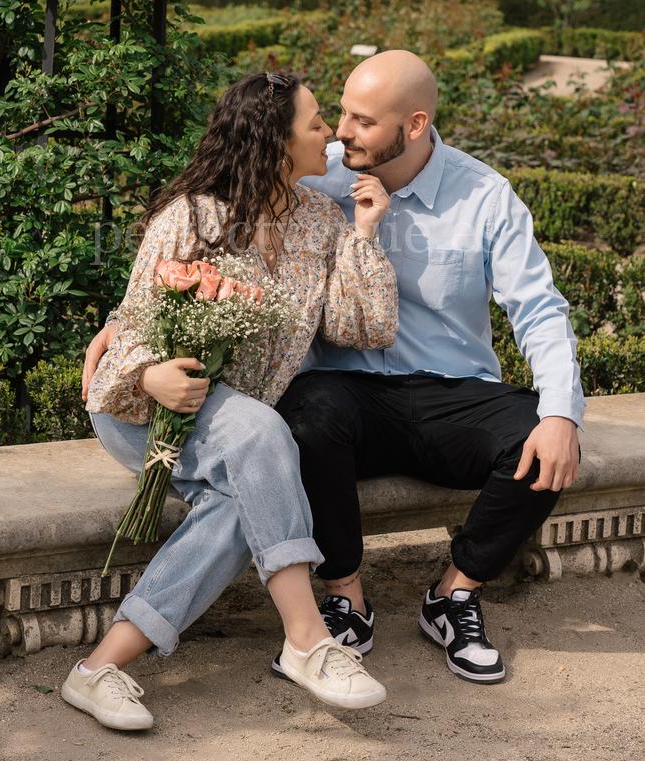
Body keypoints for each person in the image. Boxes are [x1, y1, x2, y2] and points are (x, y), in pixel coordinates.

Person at [86, 50, 583, 690]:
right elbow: (169, 266)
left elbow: (536, 309)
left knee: (543, 434)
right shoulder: (311, 186)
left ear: (413, 126)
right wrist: (132, 339)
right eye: (331, 117)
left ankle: (454, 596)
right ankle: (339, 605)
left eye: (357, 120)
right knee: (296, 420)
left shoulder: (478, 198)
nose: (340, 132)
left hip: (446, 395)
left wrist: (562, 411)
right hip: (333, 403)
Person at [63, 71, 399, 731]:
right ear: (276, 143)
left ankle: (99, 666)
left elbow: (368, 326)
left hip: (235, 426)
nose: (328, 132)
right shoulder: (190, 216)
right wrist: (152, 374)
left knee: (239, 495)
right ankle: (307, 637)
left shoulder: (319, 221)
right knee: (264, 433)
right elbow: (130, 332)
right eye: (315, 123)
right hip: (143, 411)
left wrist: (365, 233)